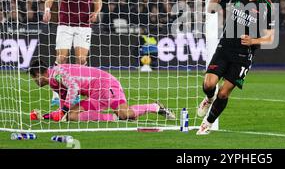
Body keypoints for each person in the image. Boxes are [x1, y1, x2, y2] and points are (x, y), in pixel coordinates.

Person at [196, 0, 275, 135]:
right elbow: (210, 9)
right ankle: (209, 98)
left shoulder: (267, 6)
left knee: (224, 94)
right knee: (209, 84)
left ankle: (207, 124)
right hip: (225, 47)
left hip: (243, 56)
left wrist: (254, 40)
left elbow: (270, 37)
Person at [43, 0, 102, 105]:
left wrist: (96, 11)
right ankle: (56, 94)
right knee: (61, 58)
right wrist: (47, 10)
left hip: (84, 25)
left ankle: (75, 92)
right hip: (65, 24)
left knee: (81, 60)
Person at [28, 59, 176, 122]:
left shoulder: (58, 73)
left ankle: (155, 107)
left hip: (105, 84)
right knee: (71, 115)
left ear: (40, 74)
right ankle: (114, 118)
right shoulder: (53, 82)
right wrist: (46, 116)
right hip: (93, 94)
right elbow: (64, 107)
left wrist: (63, 110)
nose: (35, 82)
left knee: (126, 114)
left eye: (34, 78)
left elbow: (73, 87)